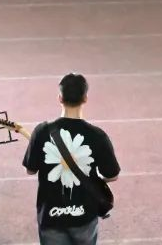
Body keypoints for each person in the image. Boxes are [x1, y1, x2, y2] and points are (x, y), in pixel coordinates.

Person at [20, 73, 121, 245]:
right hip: (84, 217)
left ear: (60, 98)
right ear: (85, 98)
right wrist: (94, 179)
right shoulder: (97, 136)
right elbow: (112, 175)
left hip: (51, 217)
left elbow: (30, 169)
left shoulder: (42, 131)